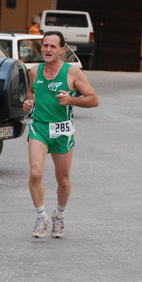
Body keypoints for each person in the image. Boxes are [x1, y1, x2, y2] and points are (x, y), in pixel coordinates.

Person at [23, 31, 99, 239]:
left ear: (62, 50)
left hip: (62, 129)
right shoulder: (34, 70)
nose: (47, 49)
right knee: (36, 174)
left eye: (52, 46)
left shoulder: (72, 72)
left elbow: (93, 99)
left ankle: (60, 216)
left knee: (63, 179)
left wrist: (71, 100)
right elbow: (31, 91)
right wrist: (29, 101)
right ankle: (41, 216)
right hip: (39, 127)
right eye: (45, 45)